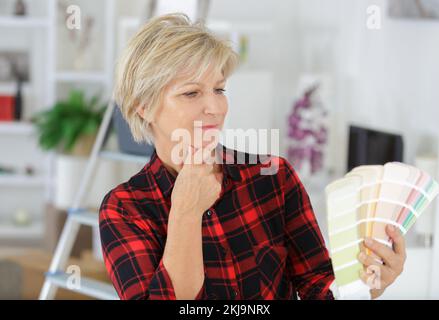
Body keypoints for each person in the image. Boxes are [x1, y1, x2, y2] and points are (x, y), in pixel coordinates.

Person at [99, 13, 406, 300]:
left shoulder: (274, 176)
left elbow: (319, 285)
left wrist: (368, 285)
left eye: (219, 90)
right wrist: (185, 213)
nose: (215, 108)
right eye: (191, 93)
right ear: (144, 105)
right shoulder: (124, 210)